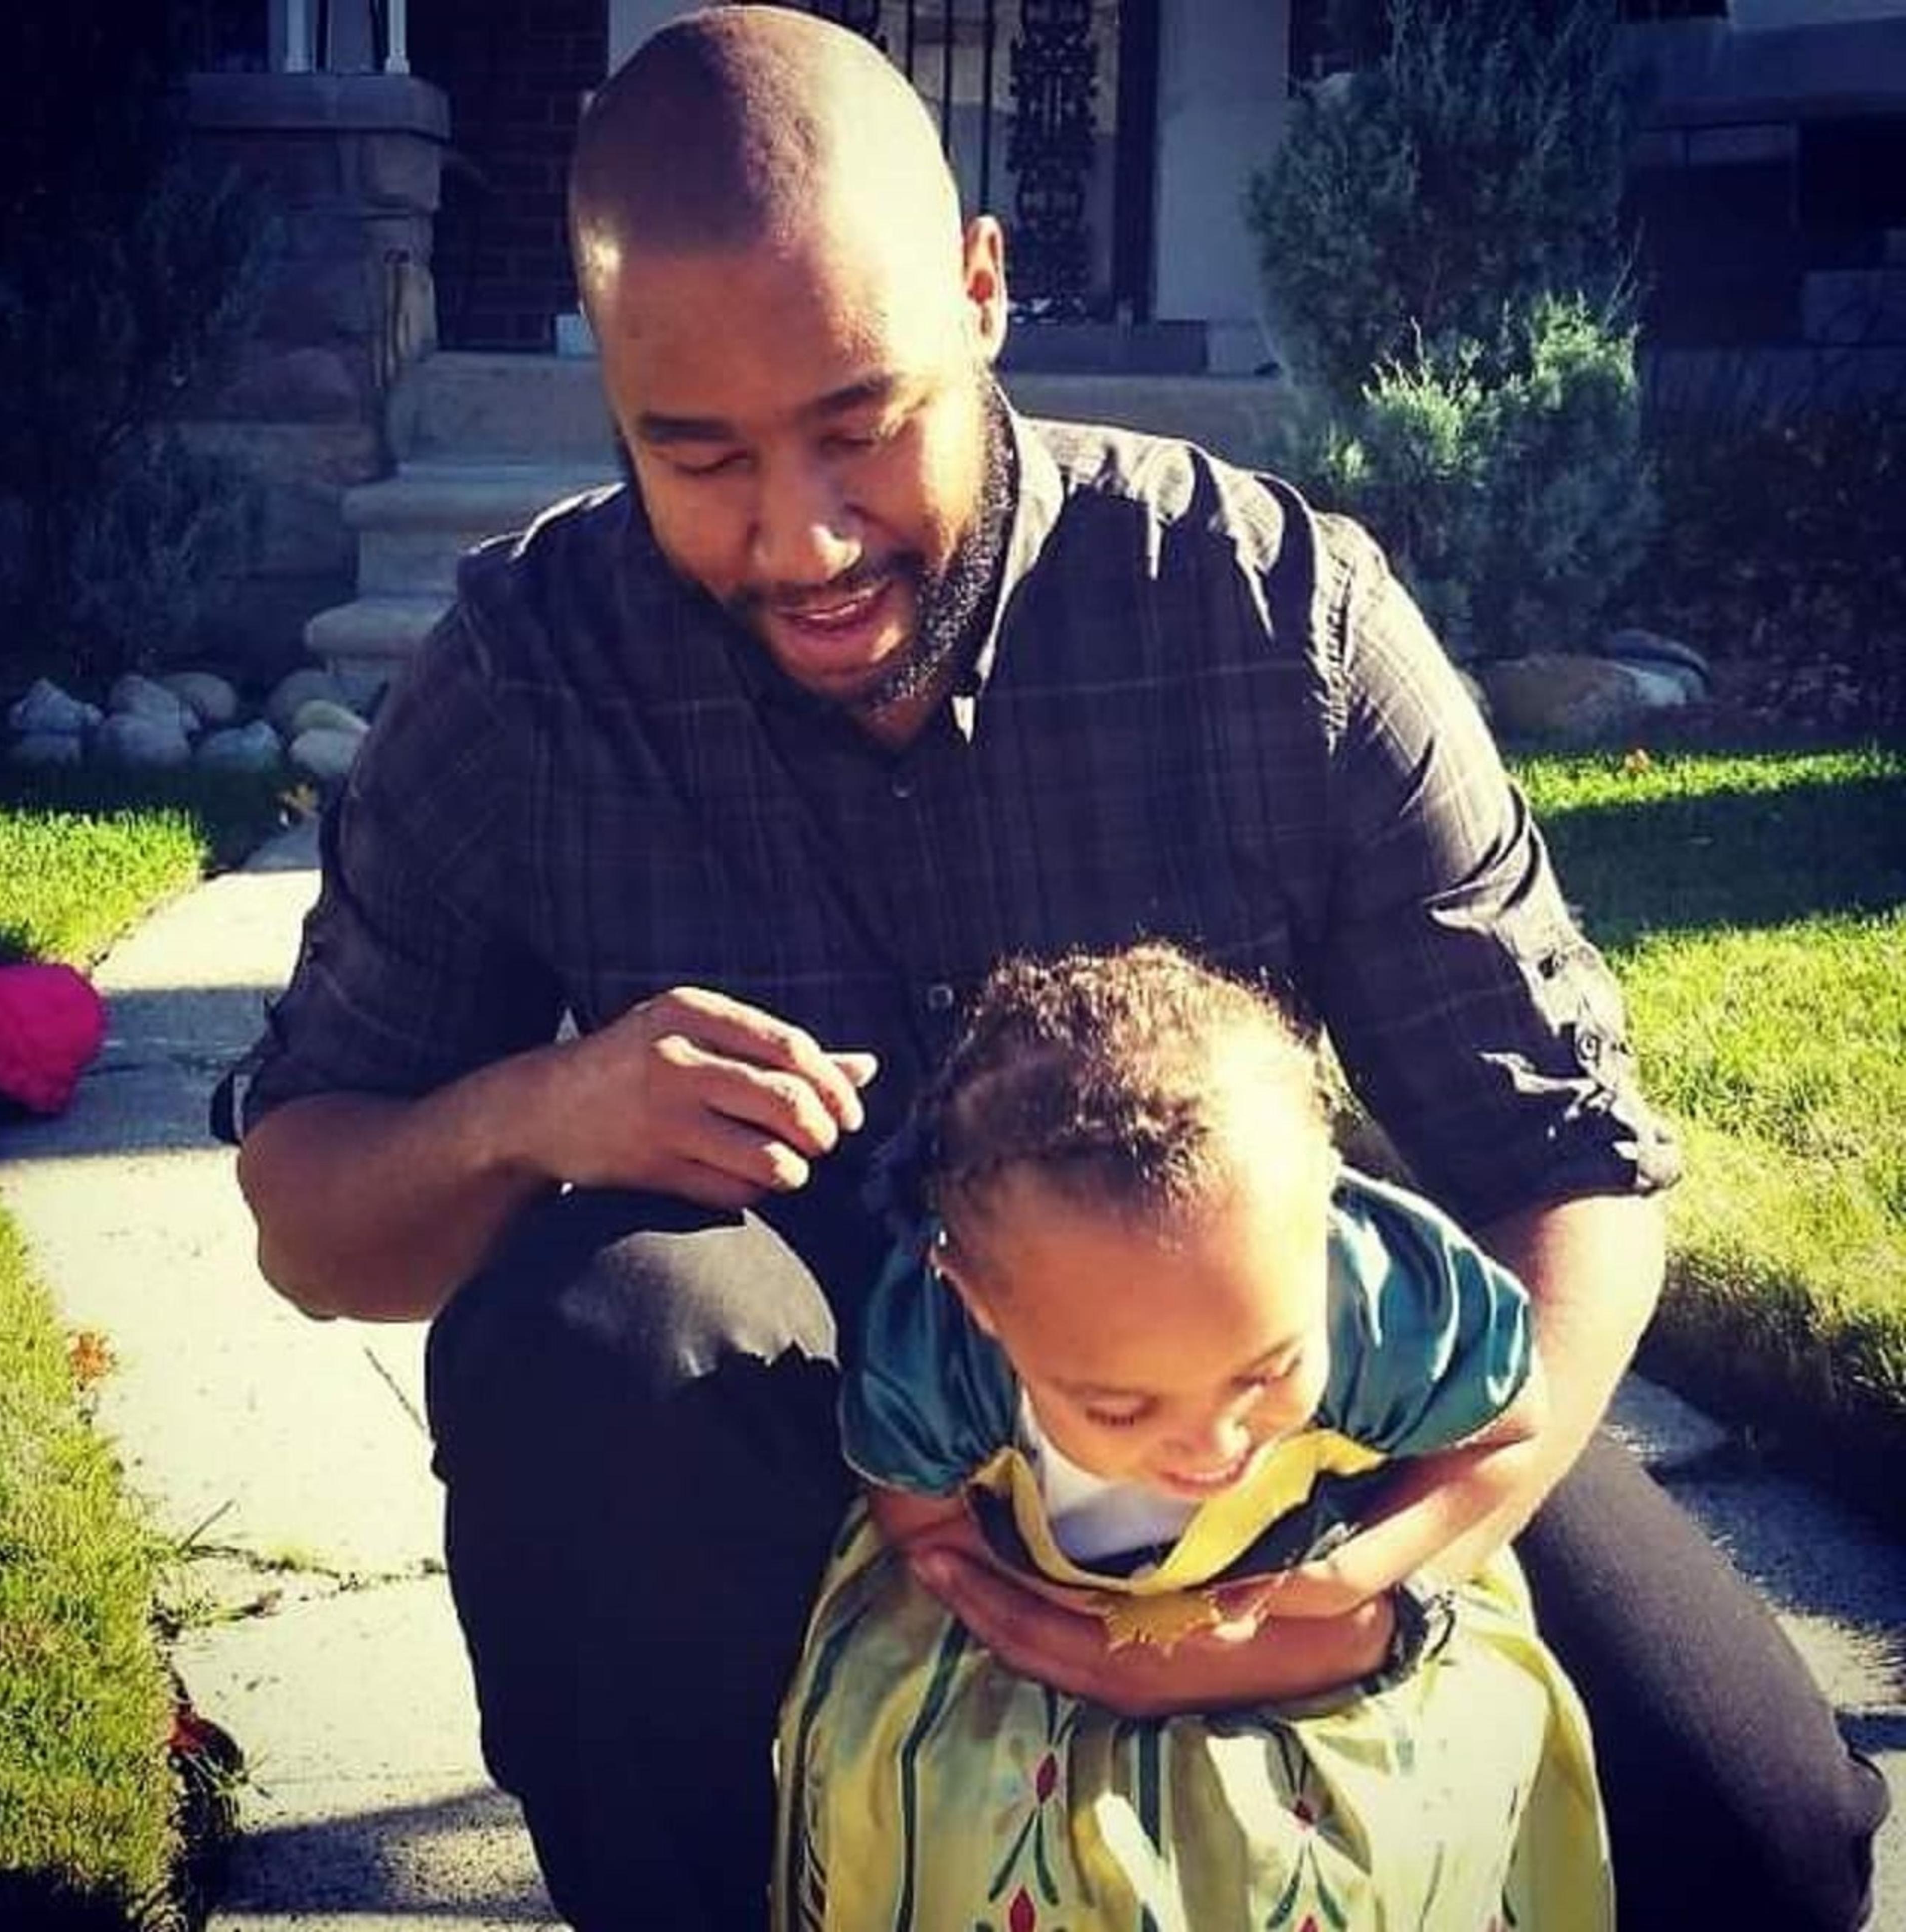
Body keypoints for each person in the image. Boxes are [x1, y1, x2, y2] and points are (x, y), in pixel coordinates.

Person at [219, 8, 1886, 1931]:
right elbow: (309, 1217)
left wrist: (1398, 1564)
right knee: (601, 1330)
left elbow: (1570, 1161)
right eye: (701, 457)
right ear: (613, 394)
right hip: (801, 1447)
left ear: (985, 292)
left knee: (1768, 1841)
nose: (807, 536)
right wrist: (545, 1109)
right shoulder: (523, 676)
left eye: (864, 423)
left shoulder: (1274, 616)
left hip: (1263, 1420)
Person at [775, 941, 1611, 1931]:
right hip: (1030, 1631)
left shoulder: (1386, 1308)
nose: (1213, 1444)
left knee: (1378, 1838)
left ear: (1323, 1221)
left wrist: (1360, 1583)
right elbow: (927, 1529)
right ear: (979, 1303)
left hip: (1325, 1630)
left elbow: (1510, 1434)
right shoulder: (936, 1351)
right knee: (953, 1814)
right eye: (1120, 1408)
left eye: (1266, 1371)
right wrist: (1059, 1631)